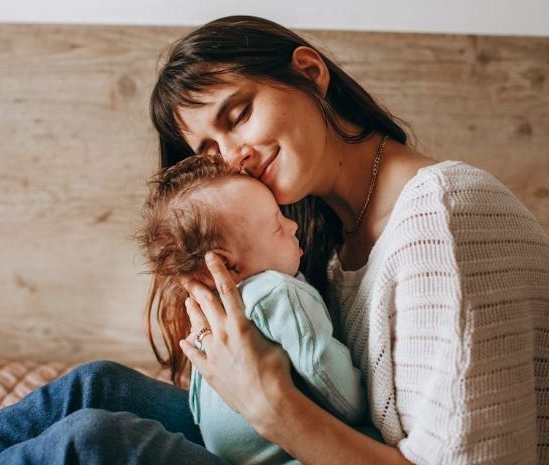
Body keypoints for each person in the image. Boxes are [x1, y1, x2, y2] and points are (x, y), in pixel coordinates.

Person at [0, 14, 549, 465]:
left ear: (310, 73)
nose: (232, 157)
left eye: (237, 114)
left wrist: (273, 404)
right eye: (209, 150)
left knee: (93, 440)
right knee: (93, 388)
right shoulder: (330, 232)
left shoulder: (443, 214)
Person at [137, 153, 372, 464]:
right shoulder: (278, 292)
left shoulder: (211, 310)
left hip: (217, 448)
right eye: (277, 225)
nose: (292, 225)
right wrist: (362, 411)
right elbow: (322, 367)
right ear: (227, 264)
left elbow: (200, 391)